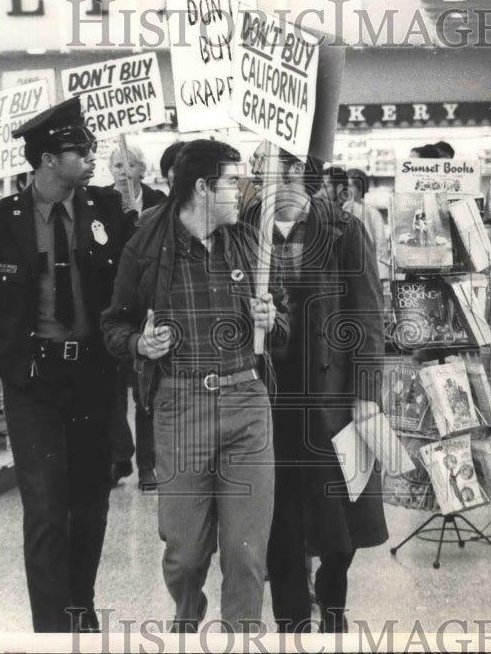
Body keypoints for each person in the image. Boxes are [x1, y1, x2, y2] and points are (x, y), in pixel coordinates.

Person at [0, 97, 135, 633]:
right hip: (33, 384)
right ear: (48, 159)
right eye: (79, 150)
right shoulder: (1, 222)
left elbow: (135, 283)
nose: (91, 157)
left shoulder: (107, 212)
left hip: (92, 379)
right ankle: (53, 631)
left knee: (90, 508)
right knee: (45, 510)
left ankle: (79, 608)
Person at [101, 139, 288, 632]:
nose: (241, 189)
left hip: (247, 401)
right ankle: (187, 622)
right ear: (203, 188)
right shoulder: (145, 243)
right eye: (232, 180)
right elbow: (113, 326)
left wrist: (273, 319)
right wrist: (141, 344)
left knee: (247, 554)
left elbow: (284, 325)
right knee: (184, 555)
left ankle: (241, 637)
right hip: (180, 406)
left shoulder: (249, 243)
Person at [245, 146, 388, 633]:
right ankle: (290, 620)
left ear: (296, 173)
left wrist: (367, 391)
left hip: (331, 392)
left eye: (269, 169)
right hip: (268, 395)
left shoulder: (344, 228)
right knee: (281, 514)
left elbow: (368, 315)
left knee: (341, 519)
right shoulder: (246, 230)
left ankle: (332, 601)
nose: (260, 180)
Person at [105, 142, 167, 491]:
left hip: (147, 307)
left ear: (143, 170)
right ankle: (119, 457)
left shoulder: (159, 203)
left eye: (129, 164)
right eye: (116, 164)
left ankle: (147, 464)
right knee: (111, 392)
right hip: (112, 307)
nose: (123, 170)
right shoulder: (98, 202)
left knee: (145, 392)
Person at [344, 168, 390, 276]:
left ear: (360, 189)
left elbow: (381, 248)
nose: (344, 189)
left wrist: (382, 277)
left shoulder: (372, 214)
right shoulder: (339, 210)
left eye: (349, 186)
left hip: (366, 272)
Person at [109, 141, 167, 214]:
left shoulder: (158, 200)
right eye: (118, 166)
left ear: (142, 169)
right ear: (110, 169)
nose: (124, 172)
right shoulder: (99, 199)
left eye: (130, 165)